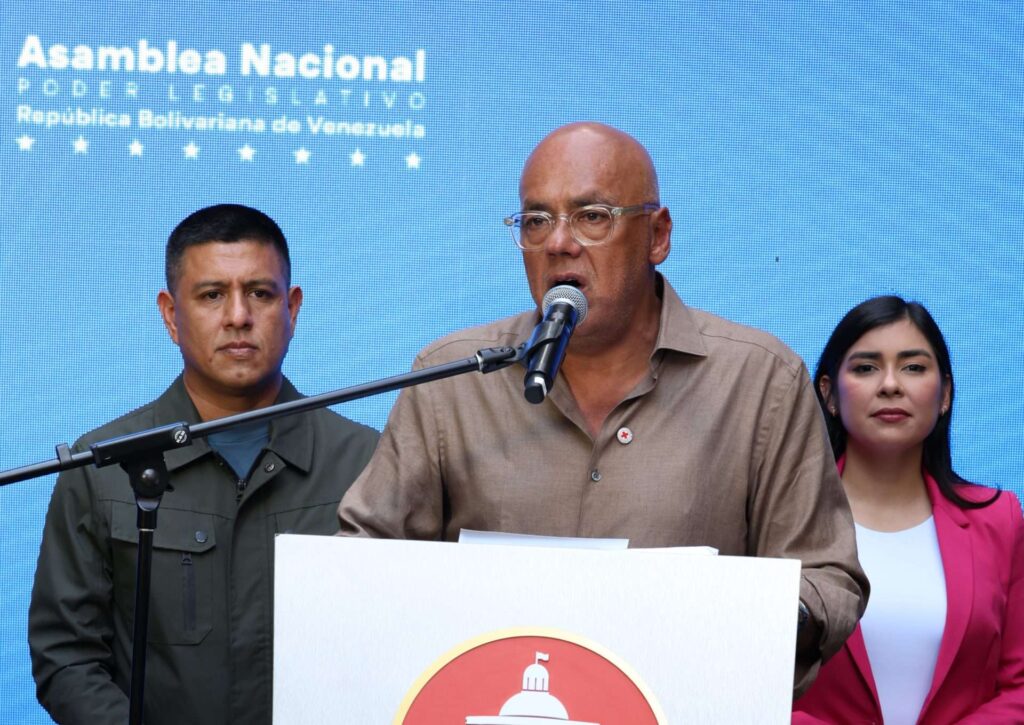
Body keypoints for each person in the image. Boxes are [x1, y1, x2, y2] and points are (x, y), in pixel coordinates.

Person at [338, 122, 867, 695]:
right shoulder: (453, 377)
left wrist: (747, 614)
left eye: (592, 216)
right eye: (536, 221)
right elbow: (361, 560)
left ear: (657, 236)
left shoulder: (761, 380)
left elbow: (827, 577)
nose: (559, 243)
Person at [29, 204, 380, 725]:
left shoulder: (367, 463)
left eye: (261, 293)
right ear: (171, 315)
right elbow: (66, 657)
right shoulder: (104, 466)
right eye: (212, 295)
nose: (238, 316)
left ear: (293, 308)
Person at [794, 296, 1024, 723]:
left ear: (945, 395)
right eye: (866, 368)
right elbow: (748, 679)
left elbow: (1020, 687)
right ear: (828, 394)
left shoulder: (1001, 519)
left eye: (913, 367)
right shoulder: (785, 520)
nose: (890, 385)